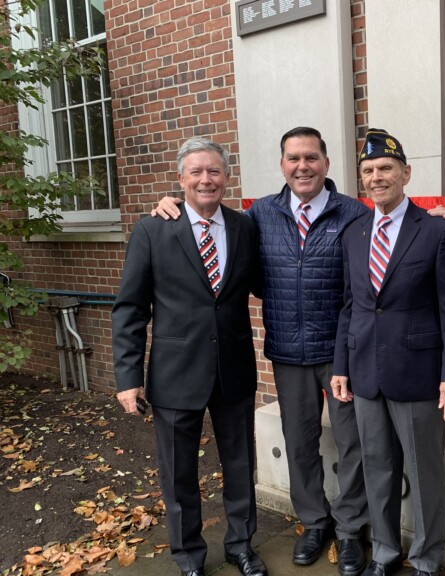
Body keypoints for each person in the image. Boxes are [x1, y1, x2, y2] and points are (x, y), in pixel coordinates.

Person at [153, 127, 445, 576]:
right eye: (293, 158)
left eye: (311, 157)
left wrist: (439, 220)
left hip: (346, 355)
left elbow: (395, 240)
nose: (302, 166)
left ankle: (352, 530)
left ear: (326, 164)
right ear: (282, 165)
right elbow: (212, 231)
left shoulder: (354, 214)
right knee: (300, 445)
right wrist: (169, 206)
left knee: (356, 446)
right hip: (288, 351)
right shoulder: (259, 217)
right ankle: (315, 523)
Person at [112, 137, 268, 576]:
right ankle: (188, 555)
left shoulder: (244, 227)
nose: (206, 179)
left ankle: (241, 545)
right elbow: (130, 307)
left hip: (233, 368)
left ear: (227, 177)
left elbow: (260, 283)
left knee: (240, 465)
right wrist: (128, 376)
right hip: (175, 372)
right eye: (196, 172)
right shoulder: (152, 230)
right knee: (179, 473)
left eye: (214, 171)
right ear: (181, 179)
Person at [331, 129, 445, 576]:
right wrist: (341, 367)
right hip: (366, 372)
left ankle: (427, 560)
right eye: (368, 171)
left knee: (424, 472)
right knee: (377, 468)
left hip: (418, 375)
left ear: (405, 173)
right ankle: (386, 553)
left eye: (386, 168)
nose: (377, 177)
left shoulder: (434, 231)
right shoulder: (354, 234)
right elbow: (350, 305)